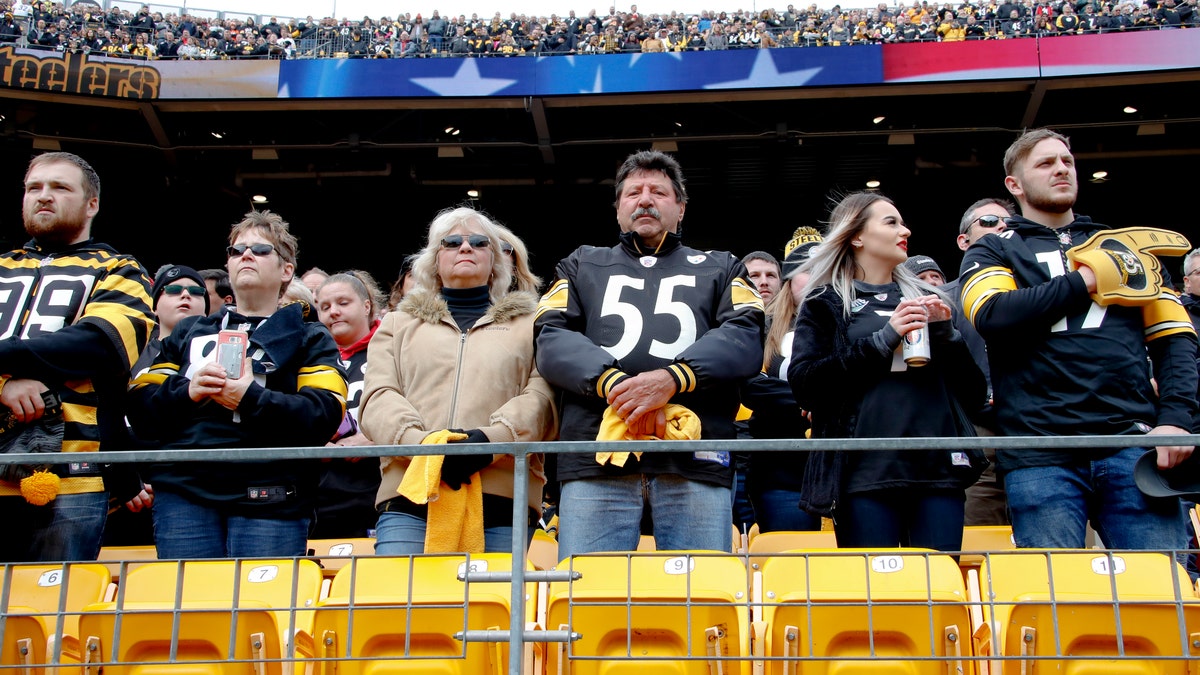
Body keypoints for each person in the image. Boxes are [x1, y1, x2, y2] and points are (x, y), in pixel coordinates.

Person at [959, 128, 1198, 550]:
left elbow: (1175, 340)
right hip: (1039, 452)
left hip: (1131, 444)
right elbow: (993, 315)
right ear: (1014, 184)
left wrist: (1177, 419)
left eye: (1066, 161)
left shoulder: (1127, 248)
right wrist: (1086, 279)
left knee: (1159, 599)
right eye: (1046, 163)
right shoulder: (992, 250)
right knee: (1057, 602)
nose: (1061, 169)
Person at [534, 150, 765, 560]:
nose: (644, 200)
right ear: (618, 209)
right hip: (596, 457)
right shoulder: (579, 264)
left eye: (658, 191)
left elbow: (745, 333)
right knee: (590, 601)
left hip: (695, 458)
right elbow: (550, 335)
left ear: (681, 208)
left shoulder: (723, 267)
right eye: (633, 193)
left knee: (699, 601)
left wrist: (673, 379)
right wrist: (614, 384)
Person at [127, 210, 347, 558]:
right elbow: (139, 406)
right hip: (185, 493)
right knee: (191, 610)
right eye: (236, 250)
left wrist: (250, 398)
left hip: (271, 496)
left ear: (286, 270)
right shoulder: (189, 330)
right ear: (227, 266)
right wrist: (189, 391)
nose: (245, 255)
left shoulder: (310, 336)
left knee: (261, 610)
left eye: (261, 250)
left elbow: (324, 415)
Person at [788, 192, 986, 551]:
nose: (905, 229)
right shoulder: (825, 302)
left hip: (938, 471)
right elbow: (806, 384)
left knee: (938, 594)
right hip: (863, 474)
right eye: (891, 222)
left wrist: (947, 335)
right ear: (856, 236)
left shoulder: (932, 298)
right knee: (877, 597)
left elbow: (973, 395)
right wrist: (882, 340)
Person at [360, 207, 556, 555]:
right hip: (410, 491)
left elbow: (542, 397)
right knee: (405, 607)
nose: (465, 248)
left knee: (489, 608)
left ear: (496, 262)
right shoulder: (395, 324)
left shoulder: (532, 326)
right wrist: (424, 447)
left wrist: (489, 442)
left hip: (503, 495)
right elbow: (378, 397)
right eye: (451, 242)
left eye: (479, 242)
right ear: (434, 260)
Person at [0, 152, 156, 562]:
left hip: (72, 480)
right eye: (34, 188)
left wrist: (6, 358)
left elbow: (98, 346)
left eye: (60, 187)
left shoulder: (121, 270)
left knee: (51, 614)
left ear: (93, 204)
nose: (44, 196)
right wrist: (5, 383)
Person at [106, 264, 212, 547]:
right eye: (174, 290)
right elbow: (108, 415)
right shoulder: (125, 353)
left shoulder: (219, 354)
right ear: (154, 306)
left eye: (196, 291)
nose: (185, 296)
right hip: (127, 489)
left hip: (192, 485)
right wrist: (125, 477)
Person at [741, 226, 825, 533]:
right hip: (783, 472)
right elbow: (749, 385)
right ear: (789, 279)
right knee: (792, 564)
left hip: (849, 469)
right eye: (806, 271)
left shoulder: (857, 318)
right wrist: (813, 400)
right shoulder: (762, 325)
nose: (816, 278)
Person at [944, 197, 1014, 527]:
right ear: (964, 240)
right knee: (978, 543)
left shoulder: (1043, 289)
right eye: (988, 222)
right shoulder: (943, 300)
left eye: (1008, 224)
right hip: (974, 431)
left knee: (1054, 549)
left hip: (1035, 428)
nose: (1001, 227)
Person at [311, 270, 384, 539]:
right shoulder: (309, 358)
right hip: (320, 492)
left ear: (367, 306)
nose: (333, 312)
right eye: (325, 307)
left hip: (376, 488)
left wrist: (375, 439)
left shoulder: (393, 350)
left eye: (343, 303)